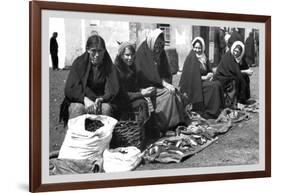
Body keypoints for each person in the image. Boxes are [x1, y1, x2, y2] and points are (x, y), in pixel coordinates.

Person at [135, 29, 188, 137]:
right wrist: (163, 84)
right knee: (169, 95)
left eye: (161, 45)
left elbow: (166, 72)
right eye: (156, 45)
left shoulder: (161, 52)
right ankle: (165, 126)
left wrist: (166, 83)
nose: (158, 49)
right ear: (151, 42)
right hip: (143, 87)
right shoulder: (143, 52)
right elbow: (146, 74)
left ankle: (176, 123)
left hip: (157, 84)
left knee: (175, 93)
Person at [59, 35, 119, 126]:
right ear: (87, 50)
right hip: (81, 100)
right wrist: (84, 99)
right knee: (78, 109)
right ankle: (75, 138)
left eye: (100, 51)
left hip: (101, 101)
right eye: (93, 51)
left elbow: (112, 88)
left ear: (104, 51)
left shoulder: (109, 67)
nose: (97, 55)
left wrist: (101, 99)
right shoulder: (79, 64)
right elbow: (71, 88)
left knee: (106, 109)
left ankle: (104, 138)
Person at [179, 37, 224, 119]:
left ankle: (218, 108)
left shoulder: (204, 56)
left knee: (218, 83)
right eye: (195, 47)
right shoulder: (191, 58)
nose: (197, 50)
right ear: (193, 47)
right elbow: (190, 76)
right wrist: (204, 77)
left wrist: (210, 74)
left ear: (202, 47)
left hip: (203, 81)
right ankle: (211, 110)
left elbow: (209, 69)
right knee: (214, 86)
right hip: (194, 84)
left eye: (199, 48)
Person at [113, 41, 150, 126]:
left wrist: (142, 90)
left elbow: (134, 87)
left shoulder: (131, 68)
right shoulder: (116, 70)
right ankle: (140, 130)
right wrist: (141, 94)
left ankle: (145, 130)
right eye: (127, 55)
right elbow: (121, 94)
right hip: (119, 102)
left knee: (145, 101)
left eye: (132, 55)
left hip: (129, 99)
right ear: (121, 55)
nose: (130, 58)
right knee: (142, 103)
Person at [214, 41, 252, 107]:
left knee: (245, 76)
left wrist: (246, 71)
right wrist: (245, 71)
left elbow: (239, 69)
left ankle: (243, 99)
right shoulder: (229, 56)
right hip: (222, 77)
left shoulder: (239, 58)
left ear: (241, 53)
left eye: (238, 52)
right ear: (233, 49)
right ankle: (238, 100)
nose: (235, 53)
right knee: (238, 78)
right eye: (235, 51)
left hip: (229, 74)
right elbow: (235, 71)